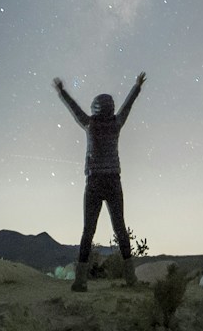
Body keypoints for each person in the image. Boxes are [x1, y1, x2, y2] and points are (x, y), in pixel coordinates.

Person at [52, 70, 146, 291]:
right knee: (120, 228)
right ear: (110, 108)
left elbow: (74, 109)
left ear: (95, 107)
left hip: (94, 182)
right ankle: (131, 279)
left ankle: (81, 281)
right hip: (113, 181)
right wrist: (137, 86)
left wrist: (62, 91)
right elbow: (128, 106)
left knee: (88, 230)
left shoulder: (90, 124)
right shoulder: (116, 124)